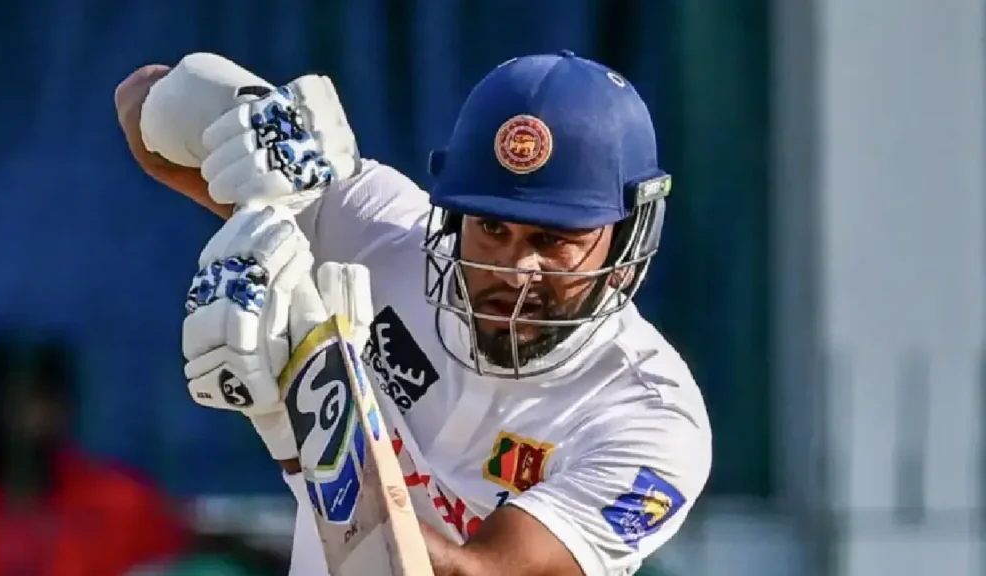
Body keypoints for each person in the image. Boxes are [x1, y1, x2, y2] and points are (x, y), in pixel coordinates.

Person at [115, 50, 711, 576]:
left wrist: (300, 423)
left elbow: (476, 573)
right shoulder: (387, 235)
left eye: (553, 241)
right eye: (492, 227)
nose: (514, 270)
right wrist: (243, 119)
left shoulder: (651, 422)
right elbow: (141, 108)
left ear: (628, 238)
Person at [0, 332, 188, 575]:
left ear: (67, 408)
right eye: (12, 404)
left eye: (41, 403)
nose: (27, 422)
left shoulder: (123, 503)